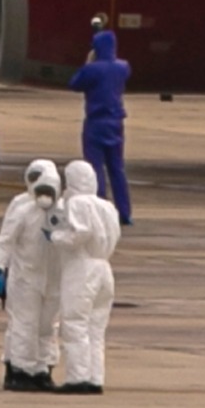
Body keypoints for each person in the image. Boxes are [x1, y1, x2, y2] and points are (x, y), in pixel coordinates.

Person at [46, 159, 122, 394]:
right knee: (95, 328)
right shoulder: (107, 206)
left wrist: (56, 237)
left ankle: (77, 377)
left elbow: (81, 233)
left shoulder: (78, 203)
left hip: (82, 267)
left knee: (74, 323)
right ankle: (95, 376)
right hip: (104, 268)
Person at [0, 159, 63, 391]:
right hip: (25, 277)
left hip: (53, 279)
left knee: (48, 326)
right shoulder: (22, 208)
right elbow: (5, 241)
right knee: (23, 324)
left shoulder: (64, 211)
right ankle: (19, 370)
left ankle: (42, 369)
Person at [69, 30, 133, 226]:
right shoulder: (123, 67)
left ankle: (99, 209)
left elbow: (74, 84)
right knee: (117, 169)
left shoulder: (93, 70)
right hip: (116, 123)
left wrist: (88, 63)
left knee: (95, 168)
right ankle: (124, 212)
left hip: (96, 122)